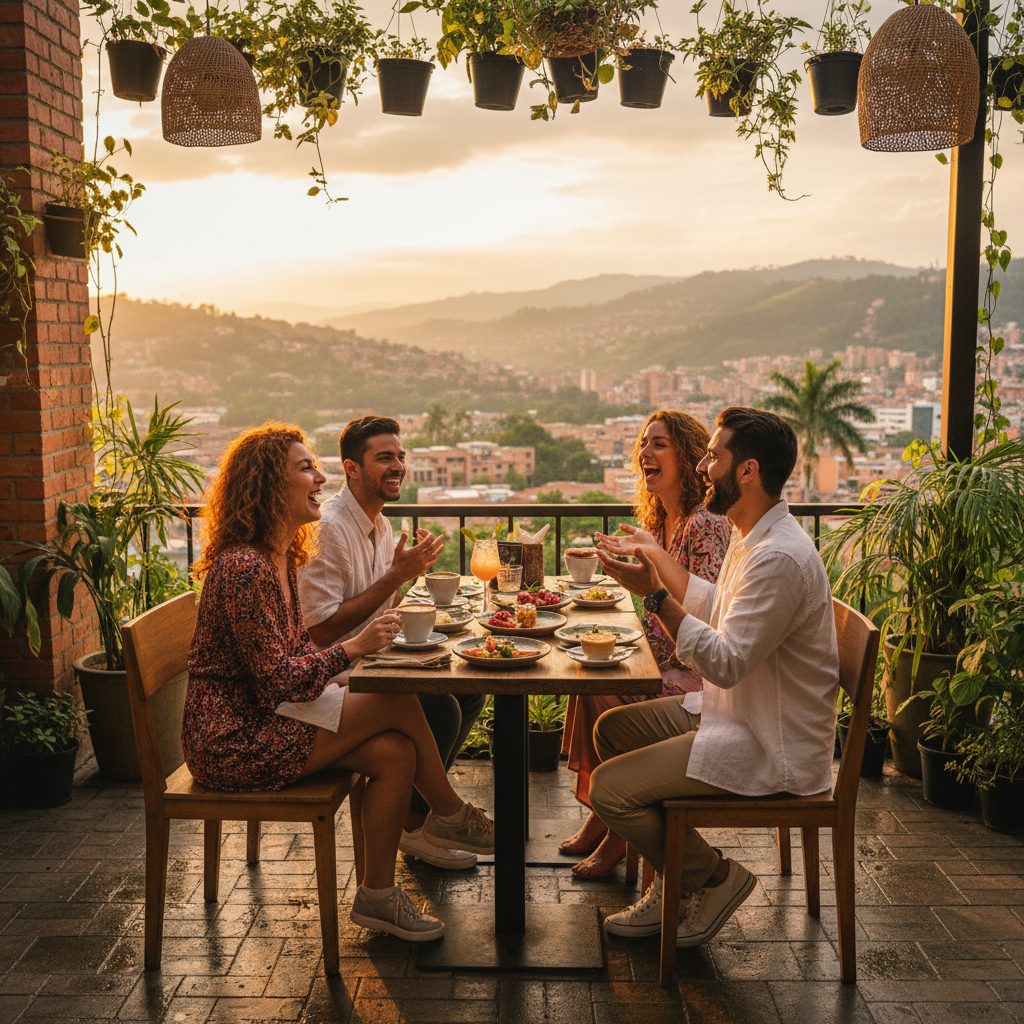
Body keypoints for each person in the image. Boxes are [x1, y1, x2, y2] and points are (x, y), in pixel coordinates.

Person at [182, 423, 495, 943]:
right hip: (232, 740)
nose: (320, 474)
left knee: (395, 752)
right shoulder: (244, 569)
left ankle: (378, 897)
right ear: (267, 486)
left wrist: (347, 660)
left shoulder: (277, 558)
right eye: (305, 467)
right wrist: (353, 651)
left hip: (267, 717)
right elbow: (278, 680)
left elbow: (290, 657)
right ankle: (448, 812)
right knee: (397, 699)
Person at [590, 407, 839, 948]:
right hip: (736, 712)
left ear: (746, 471)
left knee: (610, 790)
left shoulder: (778, 557)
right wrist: (652, 582)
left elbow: (725, 661)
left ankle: (714, 878)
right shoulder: (749, 536)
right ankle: (676, 885)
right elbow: (713, 604)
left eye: (713, 456)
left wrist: (656, 598)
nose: (703, 466)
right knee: (612, 730)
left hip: (770, 743)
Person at [297, 415, 487, 871]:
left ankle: (417, 821)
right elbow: (318, 630)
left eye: (400, 456)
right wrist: (395, 579)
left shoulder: (378, 524)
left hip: (374, 659)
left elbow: (379, 600)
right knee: (440, 707)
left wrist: (408, 582)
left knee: (471, 688)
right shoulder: (329, 530)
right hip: (336, 670)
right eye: (385, 457)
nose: (397, 465)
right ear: (352, 468)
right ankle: (417, 827)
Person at [558, 410, 731, 879]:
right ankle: (606, 810)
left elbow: (705, 615)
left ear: (689, 456)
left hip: (695, 673)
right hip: (661, 657)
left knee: (604, 692)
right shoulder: (663, 521)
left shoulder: (704, 524)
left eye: (659, 444)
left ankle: (618, 828)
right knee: (587, 674)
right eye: (643, 444)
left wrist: (646, 594)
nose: (645, 453)